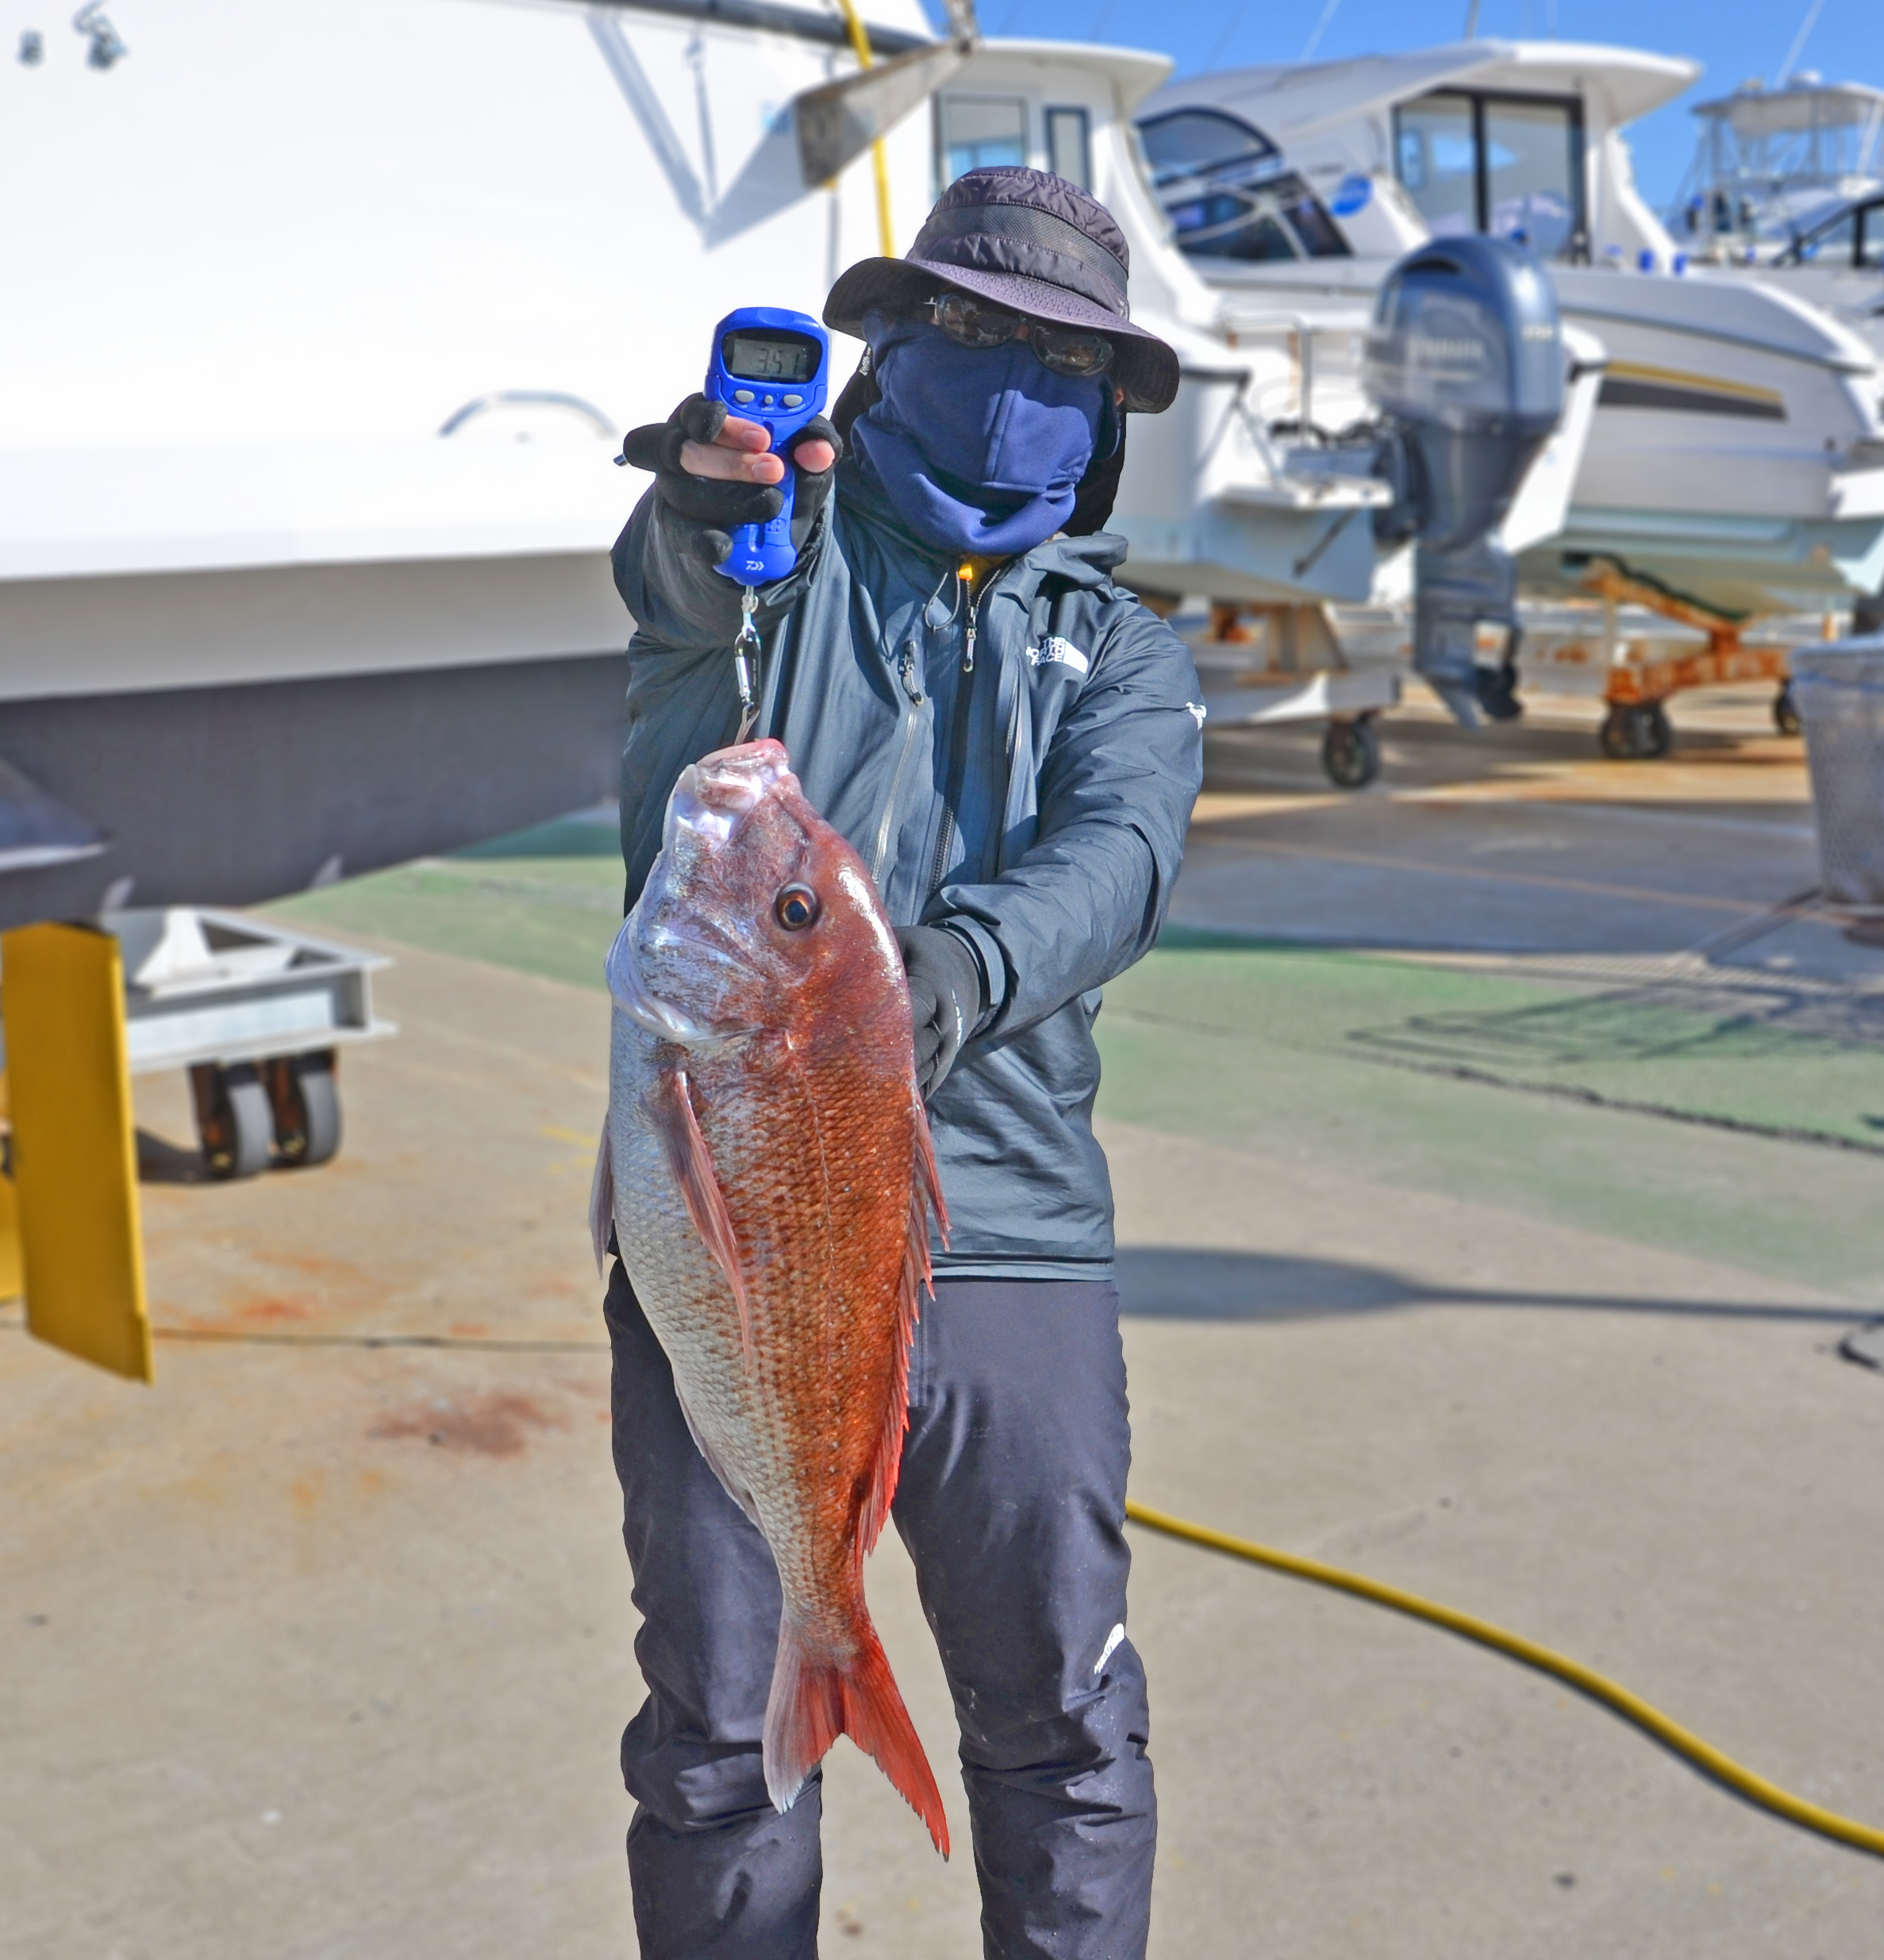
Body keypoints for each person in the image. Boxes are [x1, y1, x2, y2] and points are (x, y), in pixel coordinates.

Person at [605, 166, 1203, 1958]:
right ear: (883, 346)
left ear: (1104, 407)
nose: (1014, 373)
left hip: (1008, 1231)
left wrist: (929, 980)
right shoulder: (774, 564)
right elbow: (678, 597)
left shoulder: (1122, 645)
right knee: (719, 1730)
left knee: (1063, 1716)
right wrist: (710, 516)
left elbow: (1121, 857)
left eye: (1060, 354)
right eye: (968, 329)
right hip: (735, 1249)